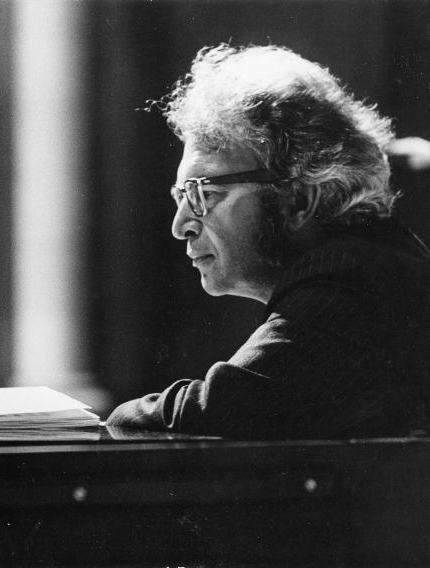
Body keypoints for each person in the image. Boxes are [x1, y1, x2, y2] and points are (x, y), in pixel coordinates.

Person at [106, 44, 430, 439]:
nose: (181, 225)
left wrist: (119, 416)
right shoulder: (361, 262)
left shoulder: (345, 284)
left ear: (298, 201)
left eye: (202, 194)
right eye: (180, 196)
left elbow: (214, 411)